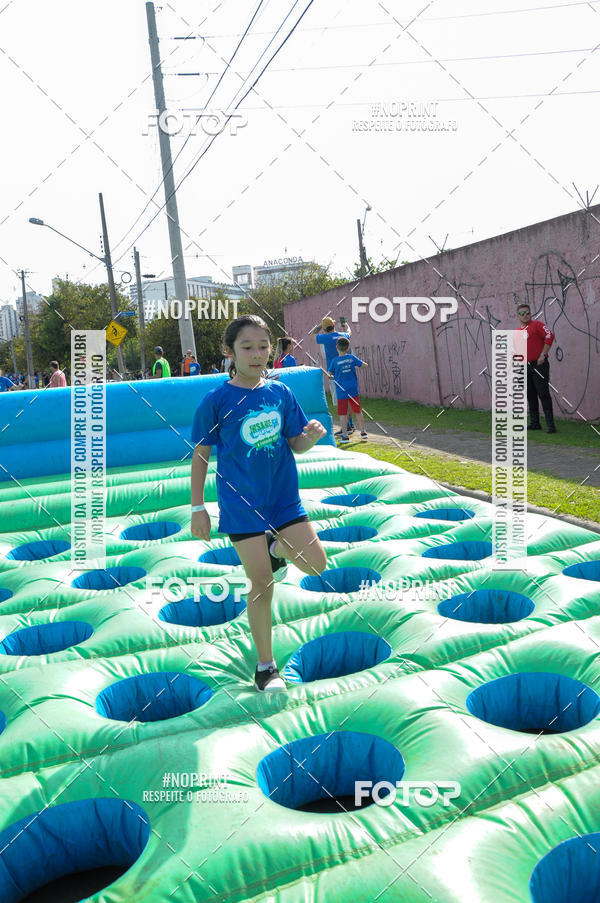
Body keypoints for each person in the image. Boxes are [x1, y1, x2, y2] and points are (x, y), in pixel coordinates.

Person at [190, 313, 327, 692]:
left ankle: (277, 548)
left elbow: (294, 443)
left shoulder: (281, 393)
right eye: (247, 347)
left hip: (283, 500)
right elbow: (201, 453)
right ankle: (266, 667)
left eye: (263, 346)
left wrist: (310, 437)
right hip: (241, 506)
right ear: (229, 352)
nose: (257, 354)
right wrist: (197, 507)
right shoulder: (217, 400)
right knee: (261, 583)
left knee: (316, 565)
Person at [516, 303, 557, 433]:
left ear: (530, 313)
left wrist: (543, 354)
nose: (525, 315)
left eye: (527, 312)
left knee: (543, 394)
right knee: (530, 395)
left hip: (539, 365)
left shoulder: (537, 325)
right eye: (522, 313)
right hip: (525, 367)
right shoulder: (517, 332)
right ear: (518, 316)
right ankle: (535, 423)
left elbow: (549, 336)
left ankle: (550, 425)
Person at [314, 315, 352, 433]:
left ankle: (345, 427)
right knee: (348, 399)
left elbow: (314, 333)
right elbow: (349, 332)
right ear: (334, 325)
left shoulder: (324, 338)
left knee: (340, 401)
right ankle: (350, 424)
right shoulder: (343, 335)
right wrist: (345, 325)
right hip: (346, 371)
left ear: (325, 329)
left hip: (334, 374)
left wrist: (321, 324)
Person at [328, 337, 369, 443]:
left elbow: (329, 374)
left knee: (343, 414)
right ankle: (363, 432)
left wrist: (332, 376)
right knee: (358, 411)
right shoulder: (351, 358)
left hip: (341, 392)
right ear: (347, 348)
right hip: (353, 390)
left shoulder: (334, 361)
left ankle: (345, 436)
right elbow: (364, 365)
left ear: (337, 347)